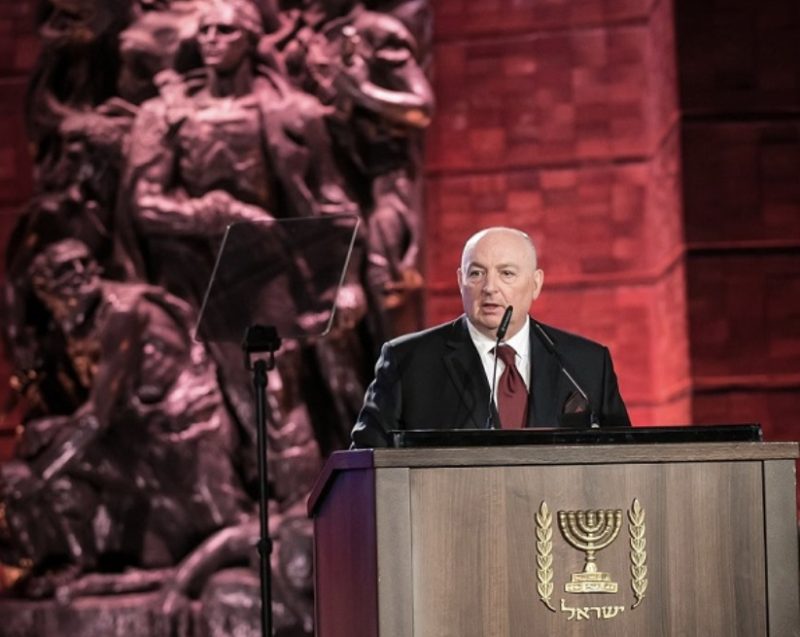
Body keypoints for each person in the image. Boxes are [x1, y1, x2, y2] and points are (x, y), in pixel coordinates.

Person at [351, 226, 630, 448]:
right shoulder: (408, 362)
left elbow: (624, 457)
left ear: (535, 284)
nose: (489, 288)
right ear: (460, 281)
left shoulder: (586, 364)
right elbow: (366, 464)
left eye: (506, 273)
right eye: (476, 273)